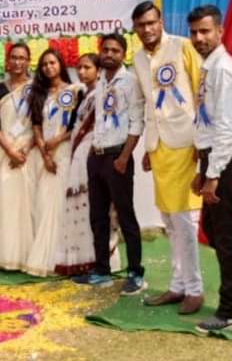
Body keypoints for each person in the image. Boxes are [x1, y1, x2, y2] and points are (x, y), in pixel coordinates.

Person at [130, 1, 205, 315]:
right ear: (135, 29)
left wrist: (202, 142)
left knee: (185, 221)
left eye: (151, 23)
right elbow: (147, 104)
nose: (147, 29)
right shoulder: (137, 58)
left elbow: (202, 92)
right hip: (159, 147)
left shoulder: (183, 47)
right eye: (141, 25)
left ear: (160, 22)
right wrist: (149, 147)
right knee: (170, 222)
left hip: (186, 142)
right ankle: (178, 285)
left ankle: (195, 290)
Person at [188, 5, 232, 333]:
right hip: (212, 158)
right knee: (214, 231)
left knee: (225, 236)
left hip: (224, 160)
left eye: (205, 31)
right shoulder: (208, 66)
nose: (199, 38)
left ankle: (228, 311)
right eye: (194, 32)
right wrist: (202, 169)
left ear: (220, 31)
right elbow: (207, 121)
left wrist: (214, 174)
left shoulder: (224, 68)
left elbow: (227, 128)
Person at [73, 32, 146, 293]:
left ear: (124, 54)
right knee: (97, 216)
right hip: (97, 156)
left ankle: (135, 273)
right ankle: (101, 270)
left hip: (118, 157)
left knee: (126, 216)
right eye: (105, 50)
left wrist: (124, 157)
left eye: (115, 50)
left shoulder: (131, 82)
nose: (109, 54)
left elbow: (137, 122)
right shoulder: (101, 80)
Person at [24, 49, 82, 276]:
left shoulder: (76, 90)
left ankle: (67, 258)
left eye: (52, 63)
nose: (49, 67)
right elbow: (36, 125)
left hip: (66, 151)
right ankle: (46, 257)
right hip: (44, 155)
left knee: (63, 204)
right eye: (44, 64)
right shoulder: (39, 94)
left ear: (61, 65)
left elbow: (77, 125)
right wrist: (45, 153)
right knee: (44, 203)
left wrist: (57, 140)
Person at [0, 43, 39, 271]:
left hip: (30, 151)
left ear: (28, 61)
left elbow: (40, 122)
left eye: (22, 58)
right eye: (14, 58)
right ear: (7, 62)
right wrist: (10, 150)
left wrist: (24, 150)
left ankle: (31, 256)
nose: (18, 62)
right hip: (6, 150)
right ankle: (9, 258)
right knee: (7, 202)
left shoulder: (36, 87)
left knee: (30, 203)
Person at [56, 53, 101, 275]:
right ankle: (82, 259)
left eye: (87, 67)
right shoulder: (83, 95)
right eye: (79, 68)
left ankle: (97, 260)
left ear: (98, 71)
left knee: (91, 205)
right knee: (80, 204)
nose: (82, 72)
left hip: (90, 152)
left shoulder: (101, 94)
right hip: (78, 153)